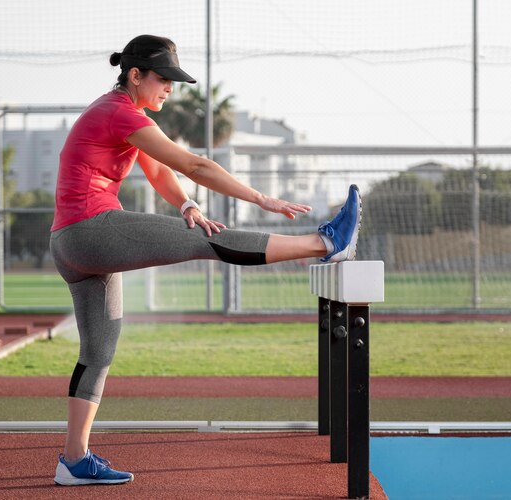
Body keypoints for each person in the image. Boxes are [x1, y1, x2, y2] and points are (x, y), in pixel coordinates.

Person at [50, 34, 361, 486]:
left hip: (71, 245)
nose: (170, 88)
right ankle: (322, 243)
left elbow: (159, 170)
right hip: (89, 231)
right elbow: (194, 165)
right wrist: (259, 198)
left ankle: (73, 460)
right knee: (207, 239)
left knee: (98, 352)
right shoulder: (120, 111)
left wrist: (186, 205)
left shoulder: (121, 112)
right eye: (164, 79)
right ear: (135, 75)